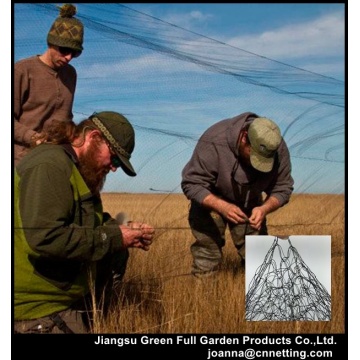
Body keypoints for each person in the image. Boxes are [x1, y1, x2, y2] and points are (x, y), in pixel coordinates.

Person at [14, 111, 155, 334]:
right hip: (37, 308)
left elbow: (86, 223)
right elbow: (46, 237)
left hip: (58, 299)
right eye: (115, 158)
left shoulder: (75, 169)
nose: (114, 167)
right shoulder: (50, 164)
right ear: (93, 137)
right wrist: (116, 236)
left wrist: (122, 229)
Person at [181, 111, 294, 277]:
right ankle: (202, 297)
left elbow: (283, 187)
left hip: (251, 201)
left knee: (259, 260)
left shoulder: (275, 147)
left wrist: (264, 209)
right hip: (211, 199)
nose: (258, 164)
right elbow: (191, 183)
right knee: (207, 256)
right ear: (243, 137)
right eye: (254, 156)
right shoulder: (214, 139)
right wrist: (222, 206)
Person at [14, 3, 84, 165]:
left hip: (57, 158)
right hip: (22, 160)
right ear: (51, 43)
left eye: (74, 53)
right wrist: (34, 138)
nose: (68, 57)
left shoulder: (70, 74)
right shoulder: (22, 70)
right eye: (64, 50)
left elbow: (65, 117)